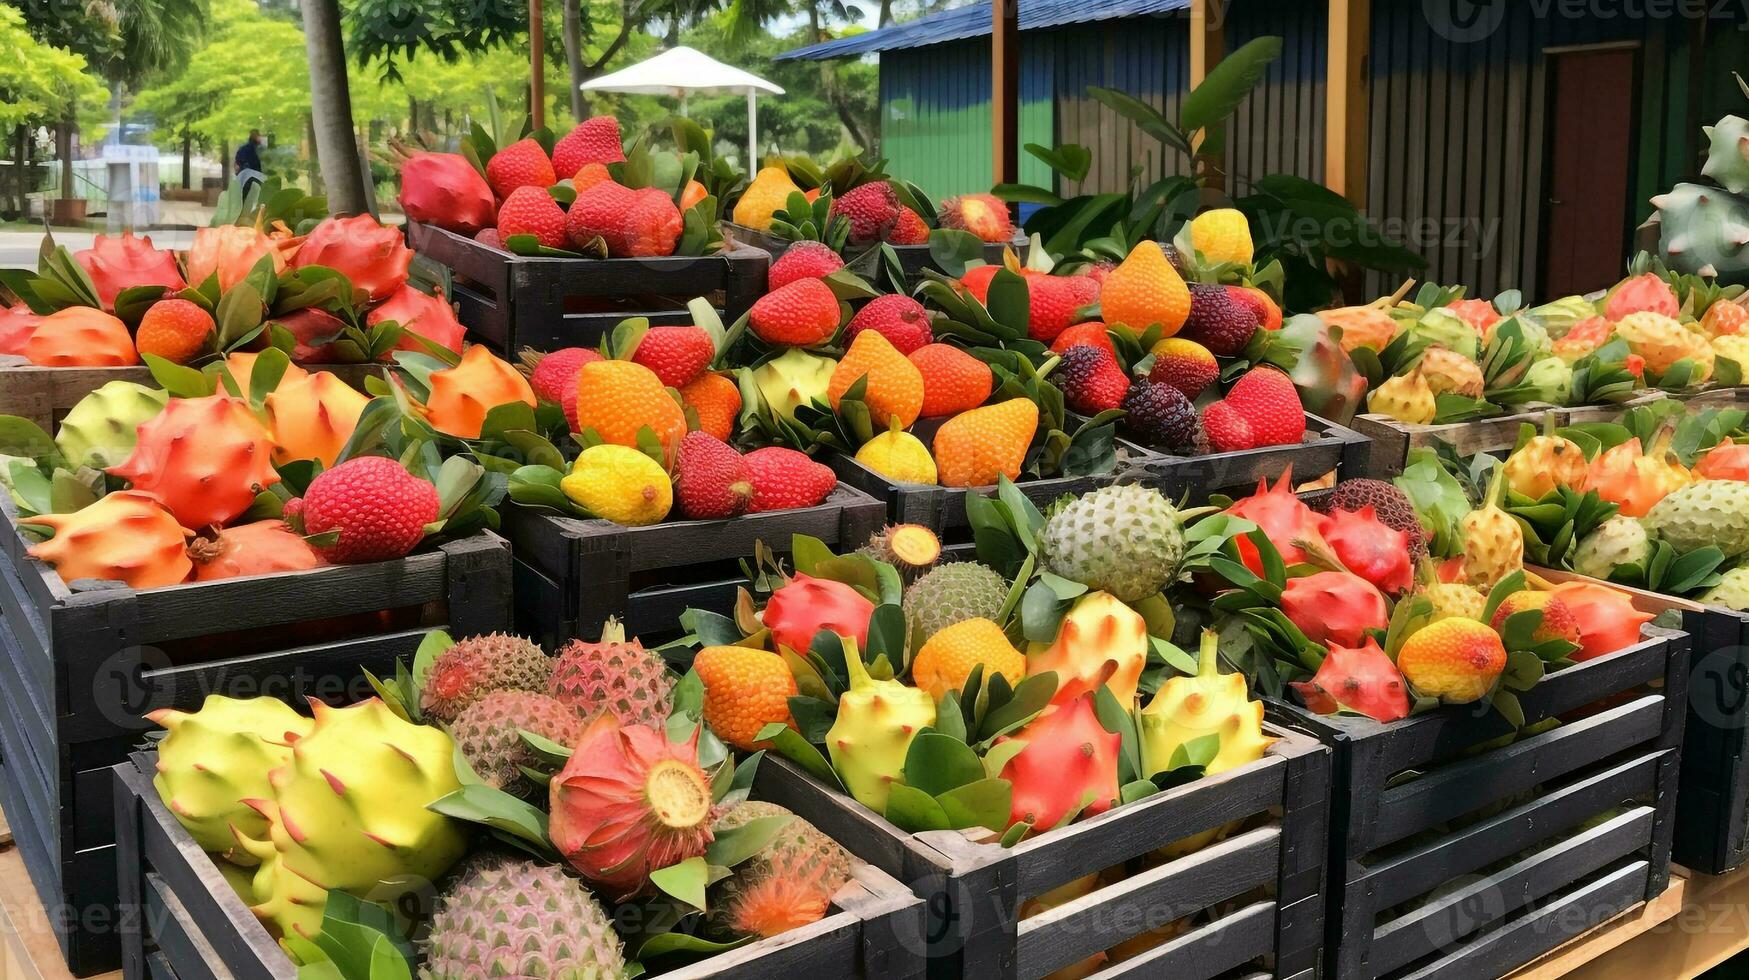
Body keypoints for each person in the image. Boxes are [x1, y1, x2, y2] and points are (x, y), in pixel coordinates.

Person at [234, 130, 264, 195]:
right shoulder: (250, 149)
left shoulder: (247, 148)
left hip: (248, 179)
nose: (260, 138)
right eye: (259, 136)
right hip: (250, 180)